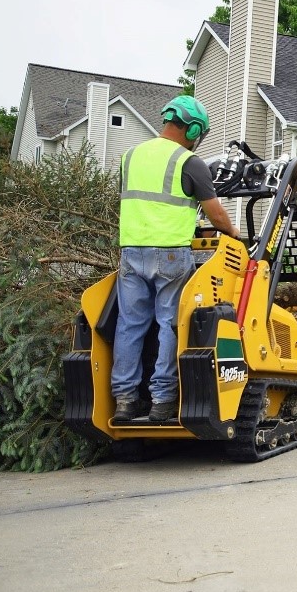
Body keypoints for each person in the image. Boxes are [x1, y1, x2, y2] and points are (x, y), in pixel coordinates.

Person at [111, 96, 241, 422]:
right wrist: (234, 234)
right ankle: (162, 400)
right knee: (171, 323)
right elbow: (216, 214)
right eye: (198, 133)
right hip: (170, 254)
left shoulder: (130, 157)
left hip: (130, 252)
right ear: (194, 128)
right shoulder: (189, 162)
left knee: (129, 326)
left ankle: (125, 401)